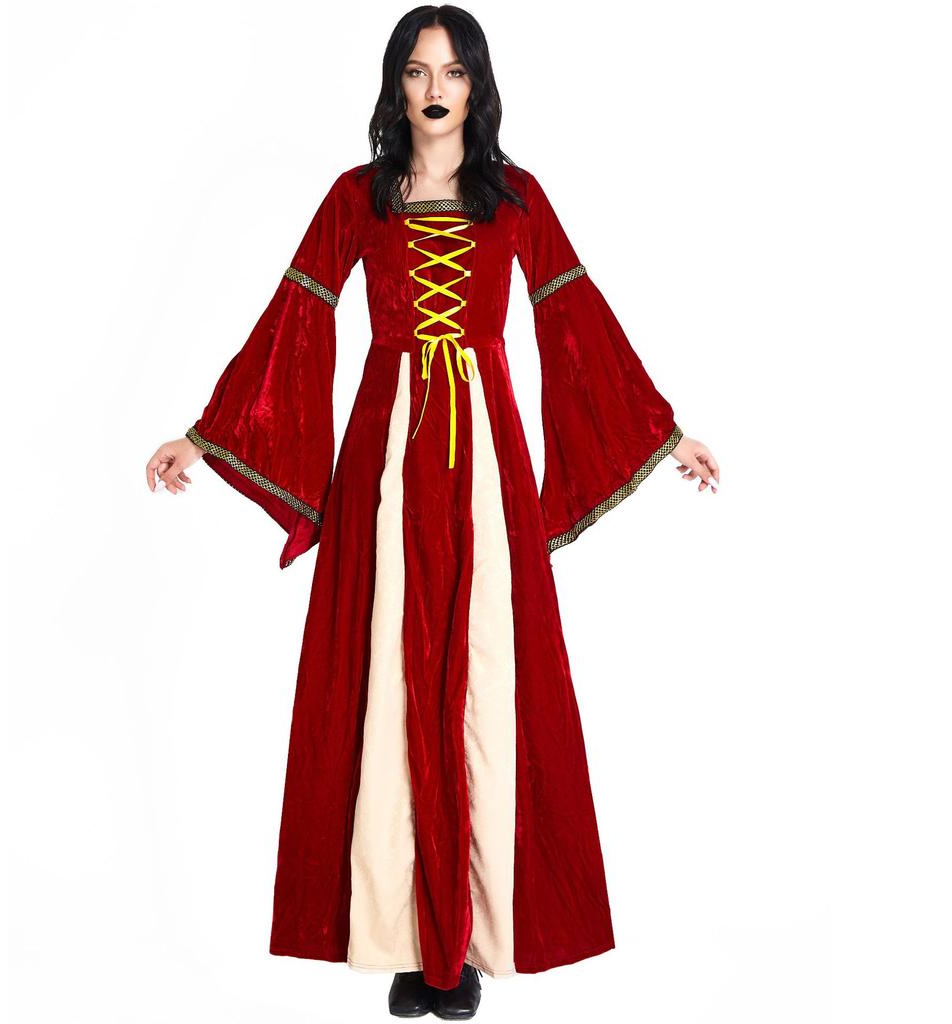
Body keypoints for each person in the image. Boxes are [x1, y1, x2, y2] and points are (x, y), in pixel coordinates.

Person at [146, 6, 719, 1019]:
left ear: (477, 85)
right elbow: (295, 315)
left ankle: (471, 941)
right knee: (389, 674)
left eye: (452, 72)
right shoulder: (356, 197)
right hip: (387, 456)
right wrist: (208, 432)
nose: (435, 89)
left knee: (484, 672)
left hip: (486, 457)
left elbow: (575, 317)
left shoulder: (516, 197)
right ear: (396, 86)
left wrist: (662, 432)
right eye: (417, 72)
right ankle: (411, 945)